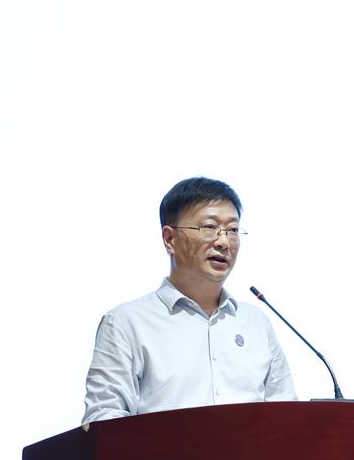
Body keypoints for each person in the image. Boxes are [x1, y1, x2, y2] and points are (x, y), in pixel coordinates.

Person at [81, 177, 296, 424]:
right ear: (170, 239)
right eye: (209, 227)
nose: (224, 242)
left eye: (233, 230)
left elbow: (286, 415)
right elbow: (104, 419)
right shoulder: (126, 323)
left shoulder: (256, 322)